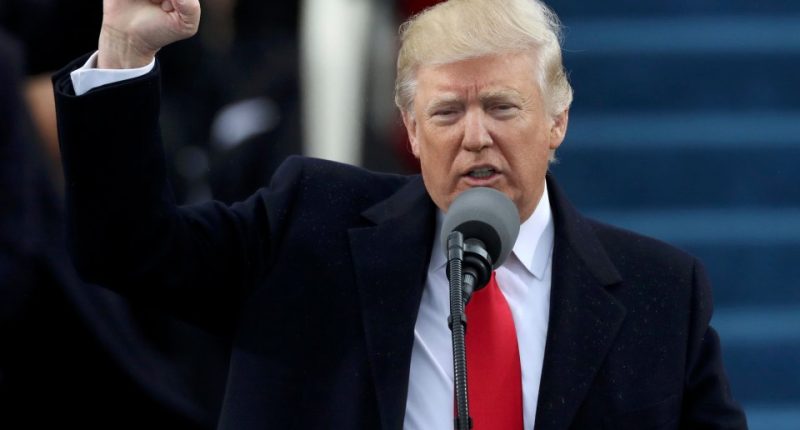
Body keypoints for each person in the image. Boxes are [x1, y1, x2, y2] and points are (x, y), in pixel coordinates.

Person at [52, 0, 748, 428]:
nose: (475, 136)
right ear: (412, 134)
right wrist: (125, 51)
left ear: (557, 120)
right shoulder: (309, 228)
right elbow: (129, 249)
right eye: (447, 112)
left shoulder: (663, 290)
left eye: (502, 106)